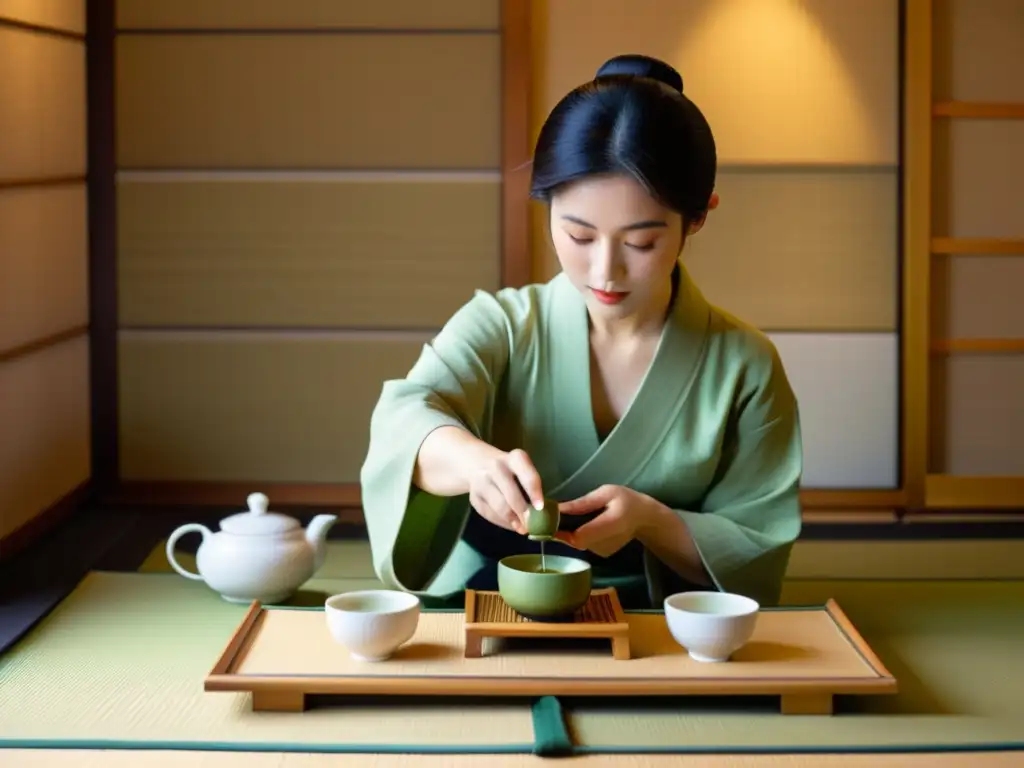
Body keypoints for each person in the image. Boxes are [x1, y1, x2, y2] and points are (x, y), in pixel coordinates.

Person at [360, 54, 803, 610]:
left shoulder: (744, 365)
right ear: (546, 208)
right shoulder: (501, 327)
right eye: (578, 235)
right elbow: (405, 419)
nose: (604, 272)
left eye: (640, 243)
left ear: (698, 217)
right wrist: (476, 464)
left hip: (656, 617)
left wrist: (650, 521)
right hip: (482, 599)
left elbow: (756, 550)